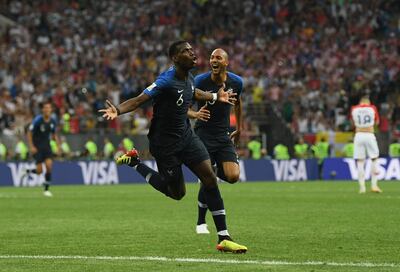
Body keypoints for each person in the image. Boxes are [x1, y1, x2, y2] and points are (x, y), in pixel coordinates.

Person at [99, 41, 247, 253]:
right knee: (177, 193)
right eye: (186, 51)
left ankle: (224, 237)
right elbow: (140, 99)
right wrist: (118, 110)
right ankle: (135, 163)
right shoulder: (166, 81)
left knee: (209, 177)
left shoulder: (190, 77)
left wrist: (216, 96)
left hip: (187, 137)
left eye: (191, 49)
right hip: (165, 144)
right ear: (176, 58)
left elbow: (195, 93)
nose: (193, 52)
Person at [187, 48, 243, 235]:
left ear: (226, 62)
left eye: (218, 57)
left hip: (223, 135)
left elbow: (238, 103)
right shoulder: (200, 82)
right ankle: (200, 222)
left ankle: (213, 173)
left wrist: (240, 128)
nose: (214, 60)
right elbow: (183, 107)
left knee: (233, 176)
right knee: (208, 179)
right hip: (203, 135)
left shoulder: (236, 82)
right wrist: (195, 114)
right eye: (211, 57)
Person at [26, 101, 60, 197]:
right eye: (45, 108)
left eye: (49, 108)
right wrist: (31, 146)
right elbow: (29, 133)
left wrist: (58, 146)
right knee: (40, 171)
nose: (47, 110)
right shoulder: (38, 120)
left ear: (51, 110)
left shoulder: (53, 121)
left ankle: (46, 189)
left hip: (47, 147)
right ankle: (28, 171)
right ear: (42, 110)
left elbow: (54, 135)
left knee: (49, 166)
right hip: (37, 148)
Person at [351, 96, 382, 193]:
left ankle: (362, 188)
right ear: (367, 102)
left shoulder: (354, 109)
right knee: (374, 158)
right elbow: (377, 122)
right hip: (369, 134)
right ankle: (374, 185)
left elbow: (352, 122)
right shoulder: (372, 108)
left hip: (358, 135)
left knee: (360, 161)